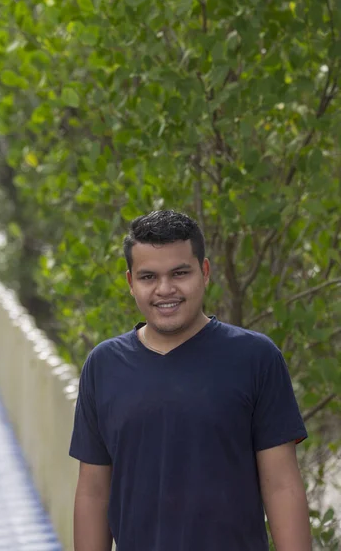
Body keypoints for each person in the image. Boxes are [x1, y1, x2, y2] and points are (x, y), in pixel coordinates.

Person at [69, 210, 312, 551]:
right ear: (130, 282)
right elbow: (94, 492)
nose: (165, 289)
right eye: (148, 277)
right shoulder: (104, 365)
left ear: (205, 272)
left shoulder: (256, 358)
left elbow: (282, 485)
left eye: (180, 273)